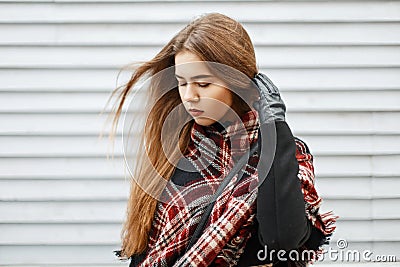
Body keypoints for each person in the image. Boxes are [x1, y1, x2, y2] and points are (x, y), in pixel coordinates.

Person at [108, 13, 337, 267]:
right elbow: (145, 254)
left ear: (237, 82)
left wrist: (274, 128)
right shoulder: (179, 148)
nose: (189, 96)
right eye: (182, 83)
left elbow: (282, 240)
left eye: (203, 84)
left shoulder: (284, 152)